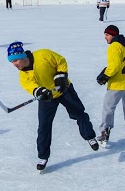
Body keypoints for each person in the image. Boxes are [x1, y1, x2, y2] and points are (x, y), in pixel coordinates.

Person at [7, 41, 99, 171]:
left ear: (22, 56)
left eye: (15, 60)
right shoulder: (23, 75)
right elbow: (31, 87)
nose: (14, 65)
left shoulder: (43, 55)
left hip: (64, 89)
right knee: (44, 125)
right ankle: (43, 156)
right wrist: (39, 91)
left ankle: (90, 137)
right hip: (48, 98)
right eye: (12, 62)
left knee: (79, 113)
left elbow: (60, 61)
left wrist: (61, 75)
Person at [95, 25, 125, 145]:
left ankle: (104, 132)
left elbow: (114, 65)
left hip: (117, 84)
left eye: (107, 35)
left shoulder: (114, 46)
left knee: (108, 108)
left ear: (113, 35)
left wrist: (105, 76)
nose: (105, 37)